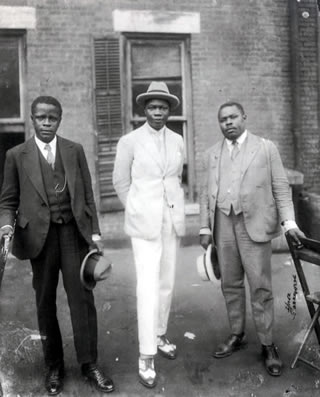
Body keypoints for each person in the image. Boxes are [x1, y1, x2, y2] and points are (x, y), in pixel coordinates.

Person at [0, 96, 114, 395]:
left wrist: (96, 235)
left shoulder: (74, 150)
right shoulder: (16, 155)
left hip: (73, 235)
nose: (47, 123)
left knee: (83, 301)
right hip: (40, 238)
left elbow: (88, 196)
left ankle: (89, 364)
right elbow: (8, 201)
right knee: (45, 301)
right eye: (41, 118)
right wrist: (6, 226)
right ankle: (54, 366)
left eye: (52, 118)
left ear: (60, 119)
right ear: (33, 119)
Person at [199, 101, 305, 377]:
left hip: (254, 224)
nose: (228, 123)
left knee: (260, 287)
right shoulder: (211, 154)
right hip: (223, 223)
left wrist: (289, 223)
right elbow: (204, 194)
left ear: (244, 117)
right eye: (223, 119)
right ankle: (237, 334)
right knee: (230, 284)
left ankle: (268, 345)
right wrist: (204, 228)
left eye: (233, 117)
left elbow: (281, 187)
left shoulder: (265, 148)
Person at [113, 81, 185, 388]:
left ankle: (159, 334)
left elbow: (177, 178)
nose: (158, 112)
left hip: (171, 220)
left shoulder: (178, 140)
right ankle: (146, 354)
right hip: (144, 224)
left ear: (170, 110)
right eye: (153, 107)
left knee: (166, 284)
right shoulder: (129, 141)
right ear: (144, 110)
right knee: (147, 288)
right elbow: (120, 181)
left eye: (163, 107)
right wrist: (137, 209)